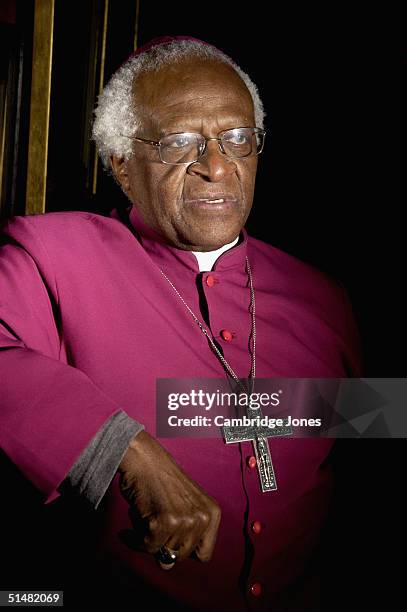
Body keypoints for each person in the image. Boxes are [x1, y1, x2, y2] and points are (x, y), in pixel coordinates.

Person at [0, 36, 362, 611]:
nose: (217, 167)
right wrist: (124, 449)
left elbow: (370, 454)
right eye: (179, 143)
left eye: (237, 139)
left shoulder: (324, 297)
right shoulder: (50, 256)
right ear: (121, 163)